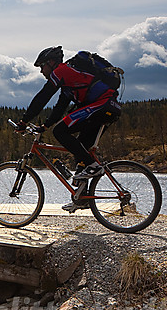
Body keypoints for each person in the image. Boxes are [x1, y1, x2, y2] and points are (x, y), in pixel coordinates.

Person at [16, 46, 121, 211]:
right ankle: (83, 197)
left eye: (42, 66)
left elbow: (43, 97)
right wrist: (45, 126)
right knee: (80, 149)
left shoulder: (61, 71)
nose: (41, 71)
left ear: (51, 63)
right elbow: (60, 108)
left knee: (60, 131)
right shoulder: (68, 84)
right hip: (109, 107)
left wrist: (24, 121)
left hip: (101, 105)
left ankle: (94, 166)